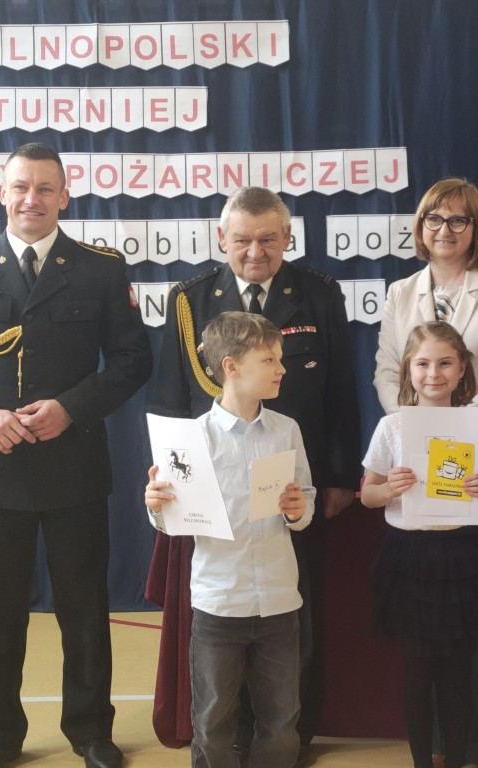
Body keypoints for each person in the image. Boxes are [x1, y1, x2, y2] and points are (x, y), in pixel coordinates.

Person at [0, 142, 152, 768]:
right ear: (2, 192)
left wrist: (72, 407)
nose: (32, 199)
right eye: (21, 187)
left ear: (65, 196)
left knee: (84, 610)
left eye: (46, 188)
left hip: (74, 466)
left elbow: (132, 359)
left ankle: (91, 731)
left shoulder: (100, 269)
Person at [146, 186, 362, 761]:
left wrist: (339, 477)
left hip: (292, 486)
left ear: (287, 238)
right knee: (220, 630)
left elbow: (341, 391)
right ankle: (231, 738)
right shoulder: (190, 300)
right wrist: (168, 481)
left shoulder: (318, 294)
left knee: (293, 617)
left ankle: (290, 736)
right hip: (211, 496)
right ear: (222, 238)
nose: (255, 251)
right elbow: (170, 400)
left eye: (268, 239)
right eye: (242, 239)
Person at [373, 177, 478, 768]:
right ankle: (432, 751)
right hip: (414, 472)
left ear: (475, 228)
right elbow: (387, 371)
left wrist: (460, 422)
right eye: (434, 218)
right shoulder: (400, 292)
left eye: (459, 219)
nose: (445, 229)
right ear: (421, 227)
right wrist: (415, 427)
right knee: (424, 643)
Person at [145, 311, 315, 768]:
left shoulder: (287, 430)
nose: (282, 369)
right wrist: (156, 504)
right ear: (231, 366)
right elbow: (172, 519)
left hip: (279, 600)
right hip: (219, 602)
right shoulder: (192, 438)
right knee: (213, 720)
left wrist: (298, 510)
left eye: (280, 358)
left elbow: (305, 502)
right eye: (269, 359)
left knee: (281, 720)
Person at [363, 321, 478, 768]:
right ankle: (422, 762)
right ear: (408, 369)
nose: (433, 373)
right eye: (423, 363)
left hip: (464, 556)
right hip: (410, 557)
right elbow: (368, 494)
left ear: (462, 368)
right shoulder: (392, 427)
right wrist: (389, 488)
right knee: (418, 668)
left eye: (445, 363)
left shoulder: (476, 426)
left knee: (458, 671)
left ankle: (458, 759)